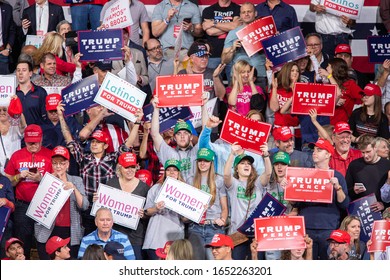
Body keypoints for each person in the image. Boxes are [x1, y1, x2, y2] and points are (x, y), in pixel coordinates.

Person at [59, 103, 138, 235]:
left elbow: (129, 144)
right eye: (93, 142)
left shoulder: (113, 159)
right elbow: (68, 138)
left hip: (108, 209)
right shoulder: (83, 157)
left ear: (106, 145)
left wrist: (136, 123)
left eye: (98, 142)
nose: (94, 144)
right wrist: (61, 117)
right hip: (88, 209)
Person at [294, 138, 350, 260]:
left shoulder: (337, 176)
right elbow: (296, 202)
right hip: (307, 227)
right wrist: (288, 189)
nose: (314, 153)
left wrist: (338, 188)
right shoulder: (304, 174)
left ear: (328, 154)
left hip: (328, 228)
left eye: (319, 150)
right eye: (314, 150)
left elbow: (344, 205)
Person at [4, 124, 52, 259]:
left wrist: (40, 179)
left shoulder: (50, 155)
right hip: (22, 205)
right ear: (24, 140)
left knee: (43, 240)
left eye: (36, 142)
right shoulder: (16, 156)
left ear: (41, 139)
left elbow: (57, 183)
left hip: (44, 204)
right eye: (30, 143)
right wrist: (18, 176)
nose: (33, 145)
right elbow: (8, 183)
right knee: (22, 241)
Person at [34, 146, 89, 260]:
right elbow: (37, 206)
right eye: (55, 163)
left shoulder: (76, 180)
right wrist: (48, 183)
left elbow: (84, 206)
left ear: (68, 164)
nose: (58, 166)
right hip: (48, 230)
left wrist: (74, 188)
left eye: (62, 163)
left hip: (71, 230)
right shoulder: (46, 180)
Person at [223, 142, 272, 260]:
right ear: (237, 168)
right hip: (237, 234)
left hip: (256, 235)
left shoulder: (258, 183)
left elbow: (269, 173)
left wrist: (266, 156)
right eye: (242, 163)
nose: (246, 165)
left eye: (249, 164)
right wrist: (232, 154)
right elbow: (226, 175)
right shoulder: (234, 184)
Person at [105, 152, 149, 260]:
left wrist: (144, 214)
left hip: (135, 238)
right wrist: (97, 200)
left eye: (133, 167)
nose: (130, 170)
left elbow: (148, 215)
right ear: (120, 168)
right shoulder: (111, 184)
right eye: (126, 167)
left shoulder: (144, 188)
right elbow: (103, 209)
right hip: (114, 236)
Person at [186, 148, 228, 260]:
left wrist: (223, 220)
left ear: (211, 163)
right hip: (195, 227)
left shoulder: (219, 180)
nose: (203, 163)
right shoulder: (190, 180)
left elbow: (224, 207)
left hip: (214, 227)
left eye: (206, 161)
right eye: (200, 160)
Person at [142, 159, 185, 260]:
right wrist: (156, 208)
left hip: (174, 238)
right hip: (155, 239)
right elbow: (146, 212)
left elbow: (185, 219)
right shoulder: (155, 188)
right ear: (165, 172)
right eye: (169, 170)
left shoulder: (185, 191)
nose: (172, 172)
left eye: (175, 170)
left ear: (179, 173)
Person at [151, 97, 201, 181]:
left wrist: (204, 105)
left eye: (185, 133)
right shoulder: (169, 153)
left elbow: (206, 131)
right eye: (179, 133)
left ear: (191, 137)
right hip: (175, 192)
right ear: (174, 137)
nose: (182, 136)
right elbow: (155, 134)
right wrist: (156, 110)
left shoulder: (197, 151)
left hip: (194, 192)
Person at [222, 2, 266, 87]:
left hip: (259, 75)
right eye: (243, 12)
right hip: (238, 76)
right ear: (240, 15)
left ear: (255, 13)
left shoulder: (263, 30)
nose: (246, 14)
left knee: (260, 100)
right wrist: (233, 49)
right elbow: (224, 60)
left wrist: (274, 38)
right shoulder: (233, 33)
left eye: (249, 11)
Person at [346, 135, 390, 207]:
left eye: (368, 152)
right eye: (363, 152)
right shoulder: (354, 165)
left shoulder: (387, 165)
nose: (365, 156)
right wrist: (353, 191)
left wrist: (384, 204)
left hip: (382, 211)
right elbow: (346, 191)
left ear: (375, 148)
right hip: (361, 209)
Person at [318, 58, 363, 125]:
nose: (326, 68)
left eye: (328, 66)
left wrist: (355, 115)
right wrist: (334, 101)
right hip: (325, 124)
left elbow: (364, 97)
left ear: (335, 68)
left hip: (341, 125)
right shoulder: (326, 84)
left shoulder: (349, 84)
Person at [201, 0, 240, 69]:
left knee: (234, 79)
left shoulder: (238, 9)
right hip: (213, 55)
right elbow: (210, 32)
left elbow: (235, 27)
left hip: (233, 54)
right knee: (213, 79)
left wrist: (213, 23)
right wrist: (229, 27)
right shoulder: (208, 10)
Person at [15, 60, 48, 125]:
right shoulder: (12, 92)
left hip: (35, 133)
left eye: (24, 70)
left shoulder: (40, 92)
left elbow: (45, 116)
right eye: (18, 70)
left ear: (30, 73)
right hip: (16, 133)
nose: (20, 73)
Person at [0, 96, 26, 174]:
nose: (1, 112)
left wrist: (17, 108)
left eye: (4, 110)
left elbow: (23, 125)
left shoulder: (15, 128)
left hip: (15, 170)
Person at [0, 1, 16, 74]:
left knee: (3, 83)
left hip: (3, 53)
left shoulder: (7, 8)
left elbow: (12, 30)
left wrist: (8, 48)